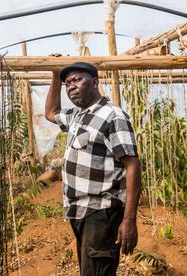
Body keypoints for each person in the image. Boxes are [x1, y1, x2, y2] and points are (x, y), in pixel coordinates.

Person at [45, 61, 141, 276]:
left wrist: (129, 220)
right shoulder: (77, 115)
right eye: (67, 83)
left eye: (77, 80)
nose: (70, 86)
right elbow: (51, 112)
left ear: (95, 82)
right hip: (79, 210)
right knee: (90, 270)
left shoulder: (112, 115)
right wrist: (54, 76)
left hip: (101, 211)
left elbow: (132, 164)